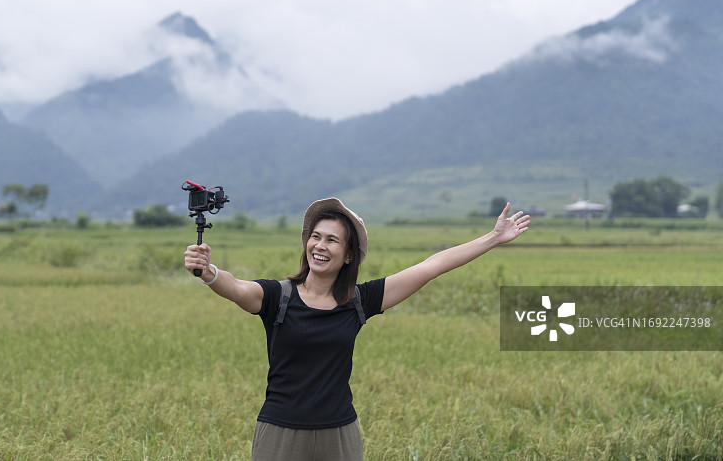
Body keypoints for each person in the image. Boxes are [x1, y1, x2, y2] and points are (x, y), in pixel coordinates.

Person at [184, 197, 530, 461]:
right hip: (280, 432)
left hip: (339, 433)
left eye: (332, 241)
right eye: (315, 237)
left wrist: (493, 238)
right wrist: (209, 272)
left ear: (349, 255)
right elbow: (237, 288)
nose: (320, 246)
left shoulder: (359, 301)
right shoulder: (278, 297)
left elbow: (431, 266)